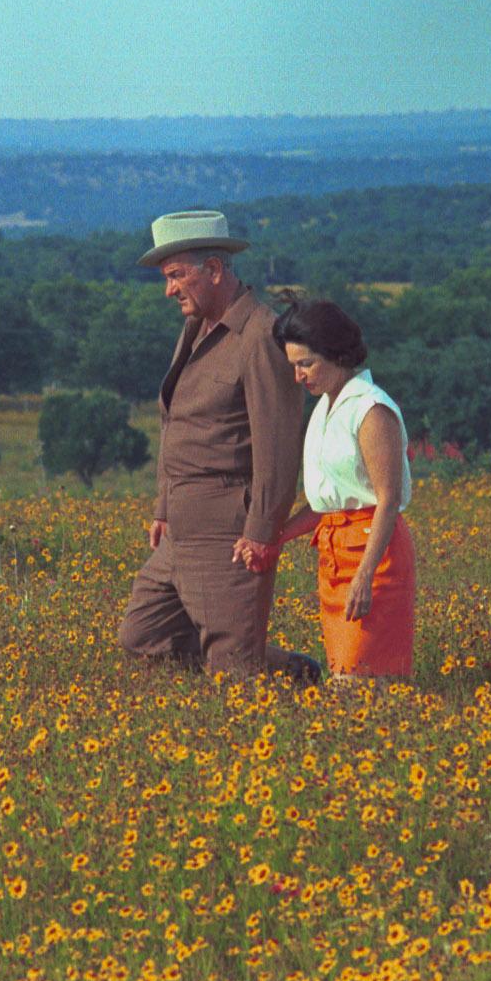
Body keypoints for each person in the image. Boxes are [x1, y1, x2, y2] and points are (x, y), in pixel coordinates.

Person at [115, 210, 313, 682]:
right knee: (142, 636)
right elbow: (176, 423)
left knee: (233, 670)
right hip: (181, 525)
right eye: (167, 278)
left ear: (215, 270)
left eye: (177, 276)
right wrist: (163, 506)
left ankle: (290, 683)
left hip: (228, 529)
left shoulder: (259, 336)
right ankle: (281, 665)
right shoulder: (196, 328)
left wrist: (263, 532)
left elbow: (278, 445)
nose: (169, 290)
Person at [260, 299, 416, 683]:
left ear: (336, 353)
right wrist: (273, 539)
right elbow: (324, 503)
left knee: (360, 681)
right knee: (346, 677)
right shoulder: (324, 410)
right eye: (293, 365)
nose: (298, 376)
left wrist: (365, 575)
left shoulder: (371, 409)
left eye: (306, 364)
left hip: (374, 558)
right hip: (333, 559)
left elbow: (388, 501)